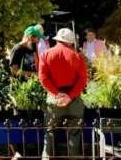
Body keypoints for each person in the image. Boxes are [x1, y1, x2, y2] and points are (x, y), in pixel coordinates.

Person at [38, 28, 87, 159]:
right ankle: (74, 157)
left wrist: (57, 94)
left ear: (57, 39)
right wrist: (70, 96)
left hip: (55, 98)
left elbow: (43, 78)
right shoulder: (78, 56)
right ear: (70, 43)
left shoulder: (46, 54)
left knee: (50, 132)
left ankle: (48, 158)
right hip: (73, 98)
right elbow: (82, 80)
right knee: (75, 133)